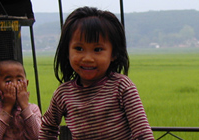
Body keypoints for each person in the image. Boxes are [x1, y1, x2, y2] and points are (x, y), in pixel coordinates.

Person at [39, 6, 154, 140]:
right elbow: (47, 128)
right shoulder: (63, 94)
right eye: (79, 48)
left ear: (114, 53)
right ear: (67, 51)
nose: (87, 58)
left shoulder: (122, 87)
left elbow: (142, 133)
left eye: (97, 49)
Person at [0, 59, 41, 140]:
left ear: (26, 84)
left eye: (19, 80)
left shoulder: (33, 109)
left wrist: (25, 106)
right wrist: (7, 108)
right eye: (8, 81)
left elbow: (38, 135)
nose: (15, 85)